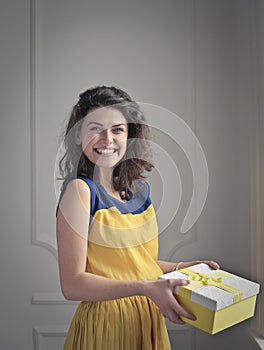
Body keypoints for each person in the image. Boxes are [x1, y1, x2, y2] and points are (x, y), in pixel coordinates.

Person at [56, 85, 219, 350]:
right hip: (108, 325)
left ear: (130, 134)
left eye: (117, 129)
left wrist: (185, 267)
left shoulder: (139, 190)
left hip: (147, 319)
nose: (107, 139)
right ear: (78, 135)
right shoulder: (80, 190)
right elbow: (72, 284)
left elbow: (136, 264)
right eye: (95, 128)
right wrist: (146, 288)